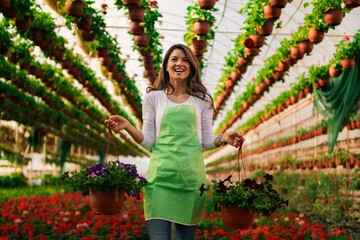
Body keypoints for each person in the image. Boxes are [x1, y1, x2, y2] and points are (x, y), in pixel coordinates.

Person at [105, 44, 244, 240]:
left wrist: (223, 138)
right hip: (159, 179)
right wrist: (128, 126)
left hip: (190, 181)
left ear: (192, 67)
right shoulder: (153, 98)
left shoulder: (202, 100)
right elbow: (149, 141)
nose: (180, 63)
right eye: (175, 59)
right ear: (166, 66)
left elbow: (205, 140)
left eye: (186, 60)